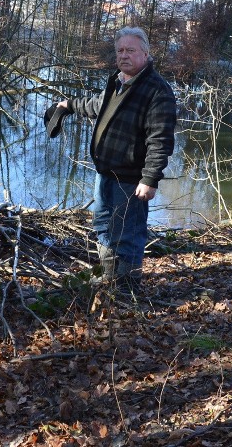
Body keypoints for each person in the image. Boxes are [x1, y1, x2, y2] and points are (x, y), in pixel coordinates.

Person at [52, 27, 177, 294]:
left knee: (127, 234)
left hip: (131, 179)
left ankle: (127, 289)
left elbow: (160, 140)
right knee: (103, 227)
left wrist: (150, 178)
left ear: (145, 53)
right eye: (120, 51)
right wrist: (68, 105)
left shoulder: (157, 91)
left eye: (130, 50)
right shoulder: (118, 82)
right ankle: (110, 277)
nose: (124, 55)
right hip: (105, 173)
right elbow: (97, 105)